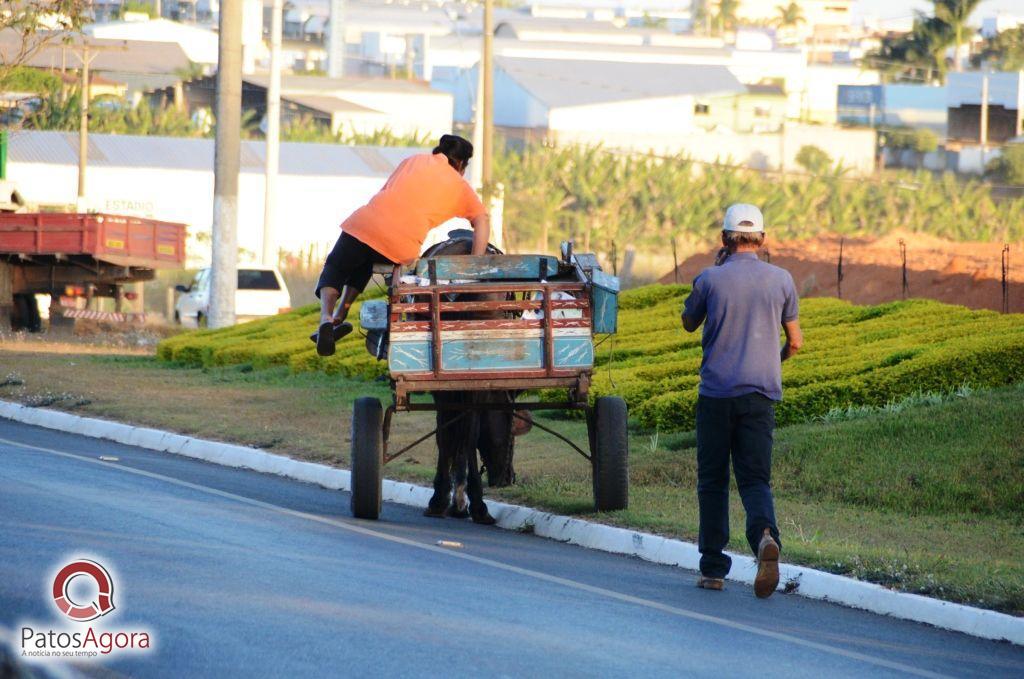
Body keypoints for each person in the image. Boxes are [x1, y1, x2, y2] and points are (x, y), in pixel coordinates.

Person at [680, 203, 803, 599]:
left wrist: (713, 274)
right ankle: (765, 535)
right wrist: (774, 361)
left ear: (724, 239)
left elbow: (687, 321)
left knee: (713, 480)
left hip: (716, 395)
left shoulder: (710, 279)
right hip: (760, 395)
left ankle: (714, 569)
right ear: (762, 239)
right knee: (754, 480)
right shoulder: (782, 280)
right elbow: (796, 341)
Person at [311, 134, 491, 356]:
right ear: (462, 164)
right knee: (370, 257)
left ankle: (327, 317)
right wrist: (475, 262)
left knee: (337, 266)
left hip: (364, 223)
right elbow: (482, 220)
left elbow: (386, 190)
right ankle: (339, 316)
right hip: (400, 247)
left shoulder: (413, 160)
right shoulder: (460, 186)